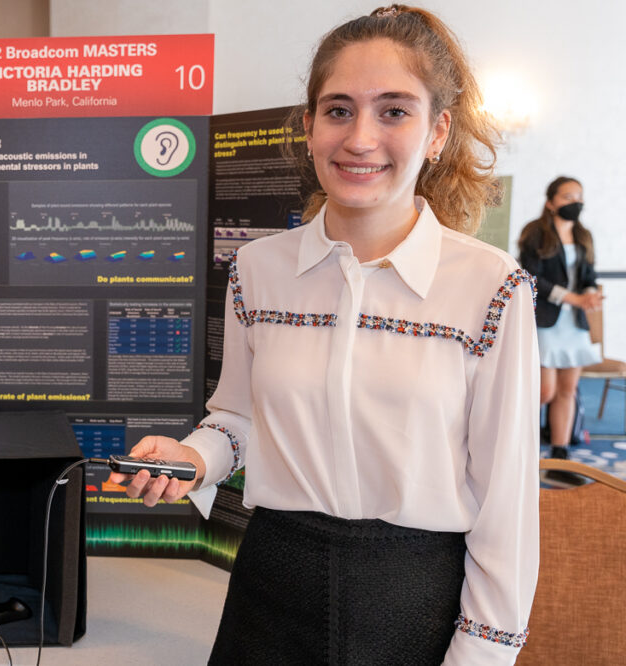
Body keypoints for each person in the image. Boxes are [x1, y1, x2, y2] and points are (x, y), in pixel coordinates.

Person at [109, 5, 538, 665]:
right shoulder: (258, 269)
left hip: (414, 598)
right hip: (272, 580)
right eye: (339, 110)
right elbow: (239, 420)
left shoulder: (492, 286)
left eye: (394, 111)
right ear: (309, 127)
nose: (360, 138)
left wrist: (483, 653)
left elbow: (507, 501)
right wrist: (192, 458)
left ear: (437, 131)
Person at [518, 177, 601, 463]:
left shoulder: (584, 236)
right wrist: (571, 297)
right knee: (545, 391)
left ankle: (559, 455)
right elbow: (532, 277)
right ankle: (519, 440)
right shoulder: (536, 233)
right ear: (551, 202)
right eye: (568, 196)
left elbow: (589, 276)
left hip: (575, 324)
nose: (575, 201)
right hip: (546, 320)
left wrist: (589, 295)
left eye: (579, 195)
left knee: (568, 390)